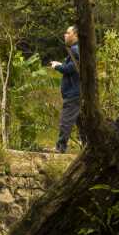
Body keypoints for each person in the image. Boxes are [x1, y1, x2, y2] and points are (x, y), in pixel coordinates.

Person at [43, 25, 86, 154]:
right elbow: (73, 66)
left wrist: (57, 67)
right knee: (83, 126)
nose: (65, 35)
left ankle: (60, 148)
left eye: (68, 33)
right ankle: (88, 149)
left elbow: (72, 68)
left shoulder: (75, 49)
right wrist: (61, 64)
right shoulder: (78, 49)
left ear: (76, 36)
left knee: (66, 122)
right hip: (79, 92)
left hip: (73, 93)